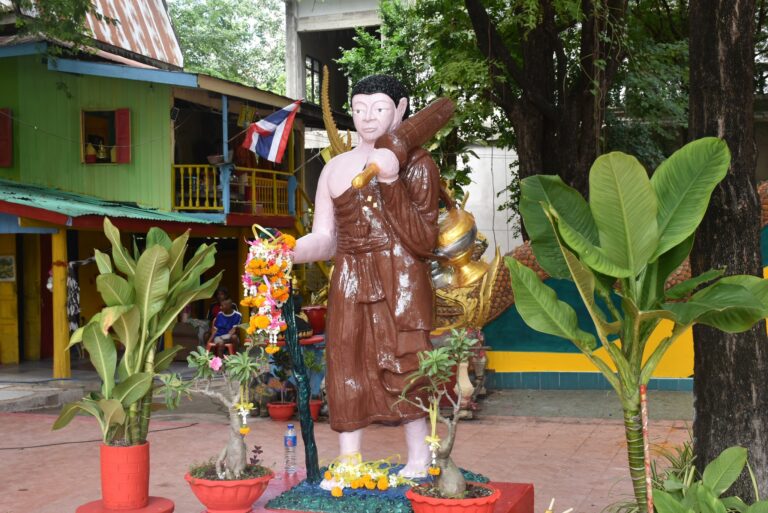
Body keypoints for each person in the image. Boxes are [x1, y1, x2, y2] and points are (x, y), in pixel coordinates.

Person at [293, 75, 440, 479]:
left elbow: (424, 239)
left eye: (379, 108)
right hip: (350, 277)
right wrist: (289, 251)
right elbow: (325, 239)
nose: (367, 118)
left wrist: (392, 180)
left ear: (402, 109)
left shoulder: (419, 164)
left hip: (401, 278)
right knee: (346, 361)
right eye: (359, 109)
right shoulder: (335, 168)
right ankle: (349, 458)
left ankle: (419, 458)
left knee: (405, 363)